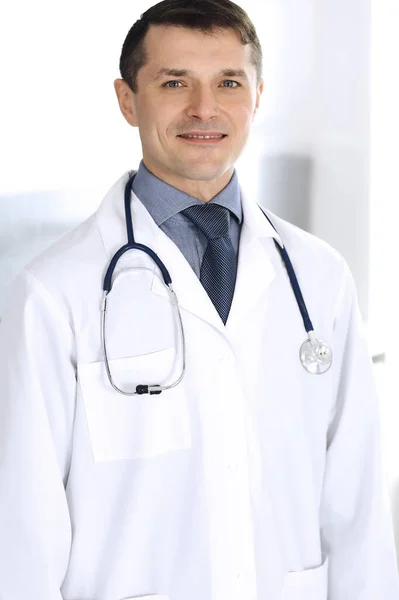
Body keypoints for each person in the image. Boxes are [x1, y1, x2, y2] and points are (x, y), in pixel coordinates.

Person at [0, 0, 398, 598]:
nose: (204, 109)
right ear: (127, 99)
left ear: (258, 96)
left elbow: (359, 508)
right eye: (175, 82)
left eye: (229, 82)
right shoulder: (52, 295)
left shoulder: (319, 277)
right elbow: (22, 538)